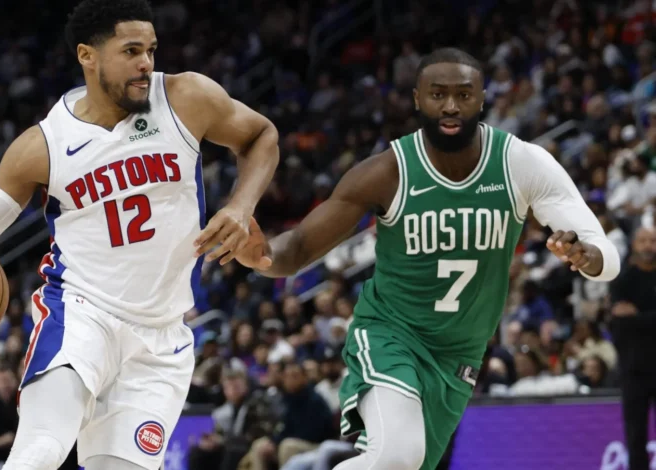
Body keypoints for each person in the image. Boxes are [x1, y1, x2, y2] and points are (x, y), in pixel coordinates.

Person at [0, 0, 279, 468]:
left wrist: (240, 206)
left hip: (161, 338)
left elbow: (261, 136)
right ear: (87, 56)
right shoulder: (43, 145)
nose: (146, 63)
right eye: (130, 51)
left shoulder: (186, 98)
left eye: (151, 50)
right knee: (40, 451)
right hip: (79, 315)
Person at [233, 48, 621, 470]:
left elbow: (604, 253)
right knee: (398, 455)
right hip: (392, 333)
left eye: (463, 94)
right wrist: (263, 255)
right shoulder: (388, 172)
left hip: (459, 355)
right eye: (438, 94)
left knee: (406, 465)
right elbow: (300, 247)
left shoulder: (520, 163)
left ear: (482, 99)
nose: (450, 105)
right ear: (418, 99)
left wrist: (586, 256)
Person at [609, 227, 656, 470]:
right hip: (633, 368)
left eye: (653, 241)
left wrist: (635, 316)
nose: (648, 246)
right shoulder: (622, 280)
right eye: (643, 241)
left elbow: (628, 320)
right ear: (634, 245)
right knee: (635, 434)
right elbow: (618, 322)